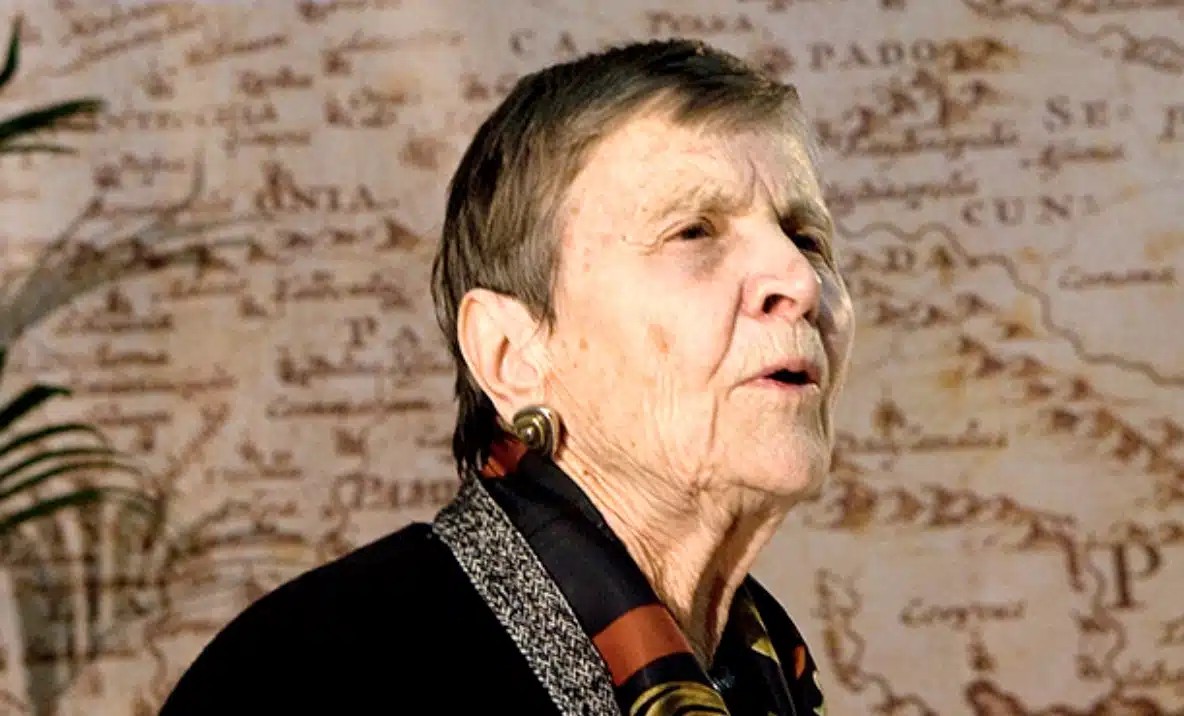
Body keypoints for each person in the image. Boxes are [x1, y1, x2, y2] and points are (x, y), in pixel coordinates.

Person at [159, 37, 854, 715]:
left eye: (805, 237)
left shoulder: (765, 673)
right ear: (510, 355)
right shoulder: (310, 679)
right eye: (693, 232)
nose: (799, 281)